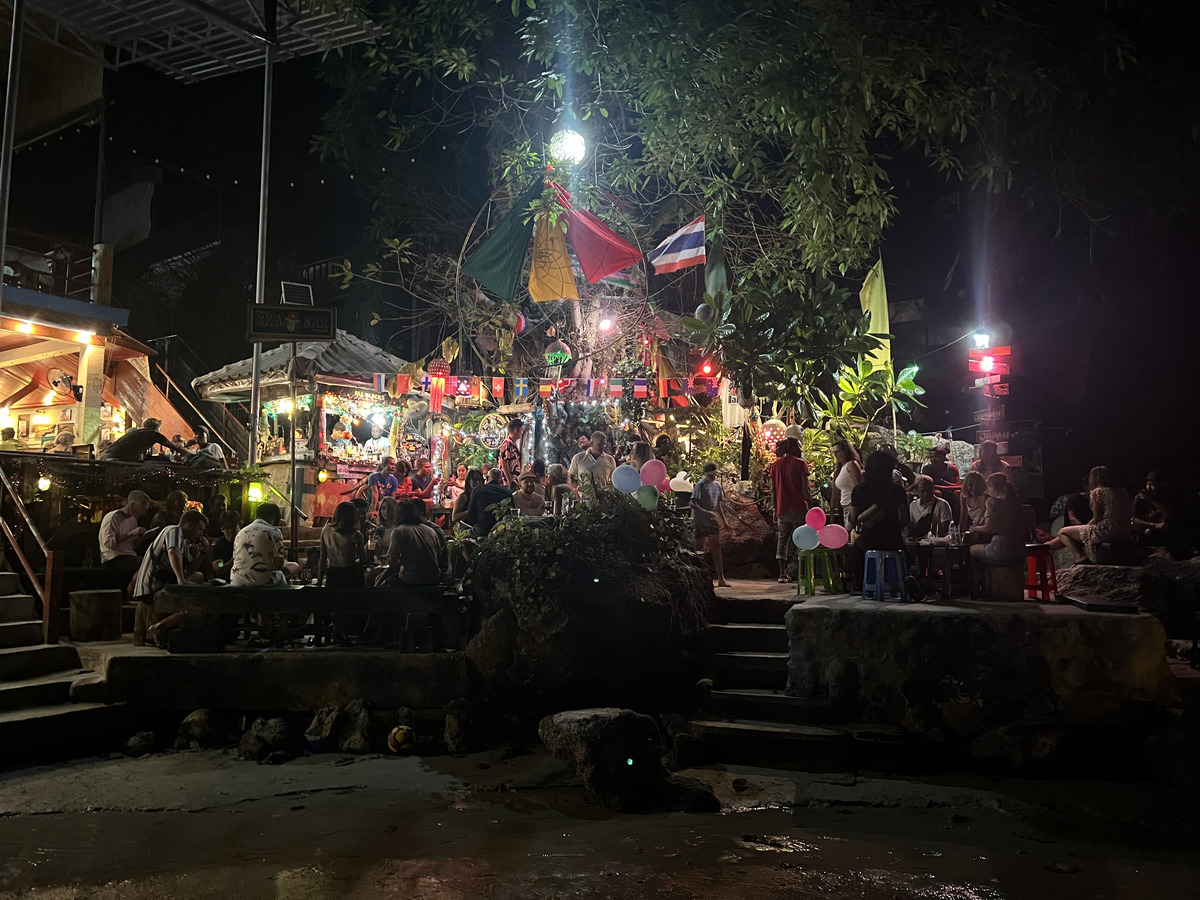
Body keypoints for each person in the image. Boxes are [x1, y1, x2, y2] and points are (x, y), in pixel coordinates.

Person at [133, 509, 210, 645]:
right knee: (198, 602)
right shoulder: (174, 530)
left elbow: (191, 570)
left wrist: (203, 552)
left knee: (198, 578)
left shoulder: (184, 542)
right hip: (152, 585)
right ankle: (159, 627)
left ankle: (162, 625)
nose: (201, 534)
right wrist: (181, 580)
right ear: (189, 525)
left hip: (165, 582)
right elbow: (173, 551)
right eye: (199, 529)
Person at [1043, 466, 1133, 564]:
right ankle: (1044, 547)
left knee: (1062, 532)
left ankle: (1080, 557)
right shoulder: (1123, 492)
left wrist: (1085, 532)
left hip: (1108, 531)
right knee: (1070, 537)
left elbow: (1097, 519)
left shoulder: (1097, 492)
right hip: (1124, 532)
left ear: (1095, 478)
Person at [850, 449, 911, 585]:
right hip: (893, 540)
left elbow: (854, 519)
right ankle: (908, 577)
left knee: (856, 549)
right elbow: (905, 520)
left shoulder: (859, 490)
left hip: (869, 540)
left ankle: (862, 583)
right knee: (906, 553)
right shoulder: (897, 490)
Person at [375, 500, 447, 587]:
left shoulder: (399, 531)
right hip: (435, 579)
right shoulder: (430, 530)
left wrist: (377, 584)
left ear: (397, 515)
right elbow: (439, 557)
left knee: (382, 585)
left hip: (411, 580)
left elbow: (392, 563)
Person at [769, 438, 811, 583]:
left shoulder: (774, 466)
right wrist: (810, 507)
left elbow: (773, 491)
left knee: (782, 540)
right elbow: (805, 489)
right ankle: (803, 573)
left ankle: (782, 574)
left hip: (782, 508)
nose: (801, 449)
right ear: (793, 447)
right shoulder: (801, 464)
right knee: (802, 539)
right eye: (799, 446)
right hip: (799, 507)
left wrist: (775, 509)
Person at [230, 502, 302, 587]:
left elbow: (235, 558)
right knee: (294, 566)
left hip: (237, 580)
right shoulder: (273, 531)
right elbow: (279, 564)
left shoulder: (241, 532)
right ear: (273, 517)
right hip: (261, 581)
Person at [969, 473, 1027, 568]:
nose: (987, 490)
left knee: (971, 550)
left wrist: (974, 529)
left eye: (989, 486)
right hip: (1020, 547)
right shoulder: (1016, 501)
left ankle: (977, 580)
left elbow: (988, 528)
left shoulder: (992, 502)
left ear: (993, 487)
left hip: (1002, 547)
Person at [691, 462, 731, 588]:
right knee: (699, 548)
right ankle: (698, 578)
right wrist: (706, 512)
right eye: (710, 475)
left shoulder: (717, 486)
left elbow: (718, 505)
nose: (713, 477)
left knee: (716, 547)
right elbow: (692, 503)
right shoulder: (700, 485)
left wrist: (724, 521)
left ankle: (721, 578)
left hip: (712, 519)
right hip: (700, 520)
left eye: (714, 475)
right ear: (706, 474)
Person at [98, 490, 152, 579]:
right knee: (147, 563)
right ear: (133, 504)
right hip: (113, 558)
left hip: (128, 556)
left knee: (149, 561)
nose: (143, 513)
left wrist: (144, 536)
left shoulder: (133, 519)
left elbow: (133, 545)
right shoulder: (113, 517)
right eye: (142, 509)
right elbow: (109, 544)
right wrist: (131, 533)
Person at [319, 501, 368, 588]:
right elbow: (363, 560)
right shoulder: (355, 534)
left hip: (333, 574)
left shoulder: (326, 530)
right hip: (351, 575)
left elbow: (322, 559)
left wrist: (319, 581)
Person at [101, 418, 187, 461]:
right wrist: (191, 454)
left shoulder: (138, 432)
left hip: (106, 457)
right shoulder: (153, 434)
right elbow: (177, 448)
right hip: (114, 460)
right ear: (157, 428)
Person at [466, 467, 512, 536]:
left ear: (487, 478)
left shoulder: (478, 490)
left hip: (481, 530)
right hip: (502, 531)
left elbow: (471, 516)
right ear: (500, 480)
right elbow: (511, 514)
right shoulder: (507, 492)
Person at [906, 475, 953, 539]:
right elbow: (911, 525)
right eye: (922, 491)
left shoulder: (942, 504)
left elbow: (945, 528)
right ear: (917, 490)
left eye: (929, 491)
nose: (926, 494)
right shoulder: (913, 505)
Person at [830, 440, 863, 527]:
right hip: (844, 506)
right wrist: (832, 511)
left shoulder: (852, 465)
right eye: (834, 452)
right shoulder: (840, 469)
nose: (836, 455)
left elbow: (858, 487)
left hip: (852, 505)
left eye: (838, 452)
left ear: (845, 451)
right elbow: (835, 492)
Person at [210, 510, 241, 578]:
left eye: (231, 527)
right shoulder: (218, 545)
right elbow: (219, 568)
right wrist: (233, 560)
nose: (229, 531)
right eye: (225, 528)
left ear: (239, 525)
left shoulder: (245, 541)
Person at [497, 419, 525, 488]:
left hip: (514, 480)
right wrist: (509, 480)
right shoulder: (507, 444)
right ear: (516, 430)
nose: (522, 432)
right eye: (521, 430)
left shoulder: (513, 444)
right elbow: (504, 462)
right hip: (509, 482)